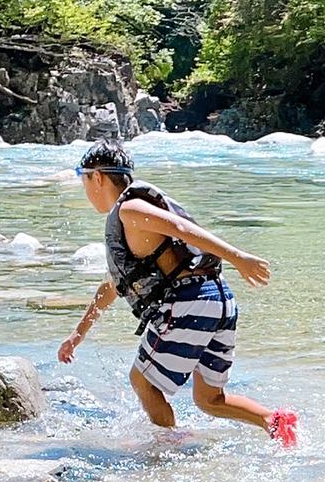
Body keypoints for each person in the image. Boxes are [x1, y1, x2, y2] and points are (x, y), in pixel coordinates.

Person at [58, 139, 297, 443]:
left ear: (98, 177)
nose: (85, 189)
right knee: (209, 399)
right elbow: (113, 285)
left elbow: (182, 229)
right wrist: (77, 335)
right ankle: (275, 422)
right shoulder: (131, 219)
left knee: (142, 381)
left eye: (83, 179)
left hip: (190, 302)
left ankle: (172, 449)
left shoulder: (130, 210)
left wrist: (238, 258)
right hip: (219, 299)